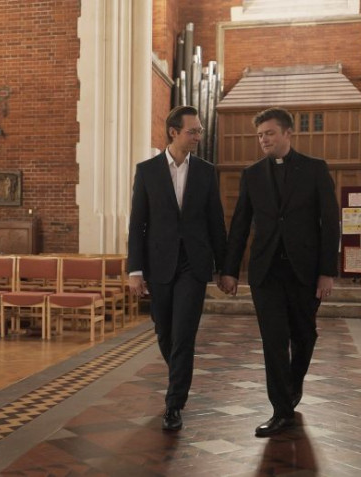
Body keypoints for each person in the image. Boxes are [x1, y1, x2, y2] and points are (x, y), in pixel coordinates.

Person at [220, 107, 340, 437]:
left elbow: (330, 223)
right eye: (260, 135)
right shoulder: (252, 174)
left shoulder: (315, 170)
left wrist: (327, 272)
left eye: (269, 133)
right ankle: (281, 411)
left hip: (305, 272)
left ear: (288, 133)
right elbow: (240, 224)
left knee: (304, 336)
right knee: (273, 341)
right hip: (266, 272)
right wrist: (230, 270)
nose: (263, 139)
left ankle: (291, 387)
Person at [128, 105, 227, 431]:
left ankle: (174, 404)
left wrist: (225, 267)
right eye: (192, 131)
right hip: (158, 264)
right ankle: (179, 376)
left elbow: (216, 223)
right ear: (174, 132)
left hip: (193, 266)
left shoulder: (206, 171)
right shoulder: (147, 171)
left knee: (184, 334)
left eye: (199, 131)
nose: (198, 136)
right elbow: (138, 224)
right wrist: (135, 270)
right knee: (164, 331)